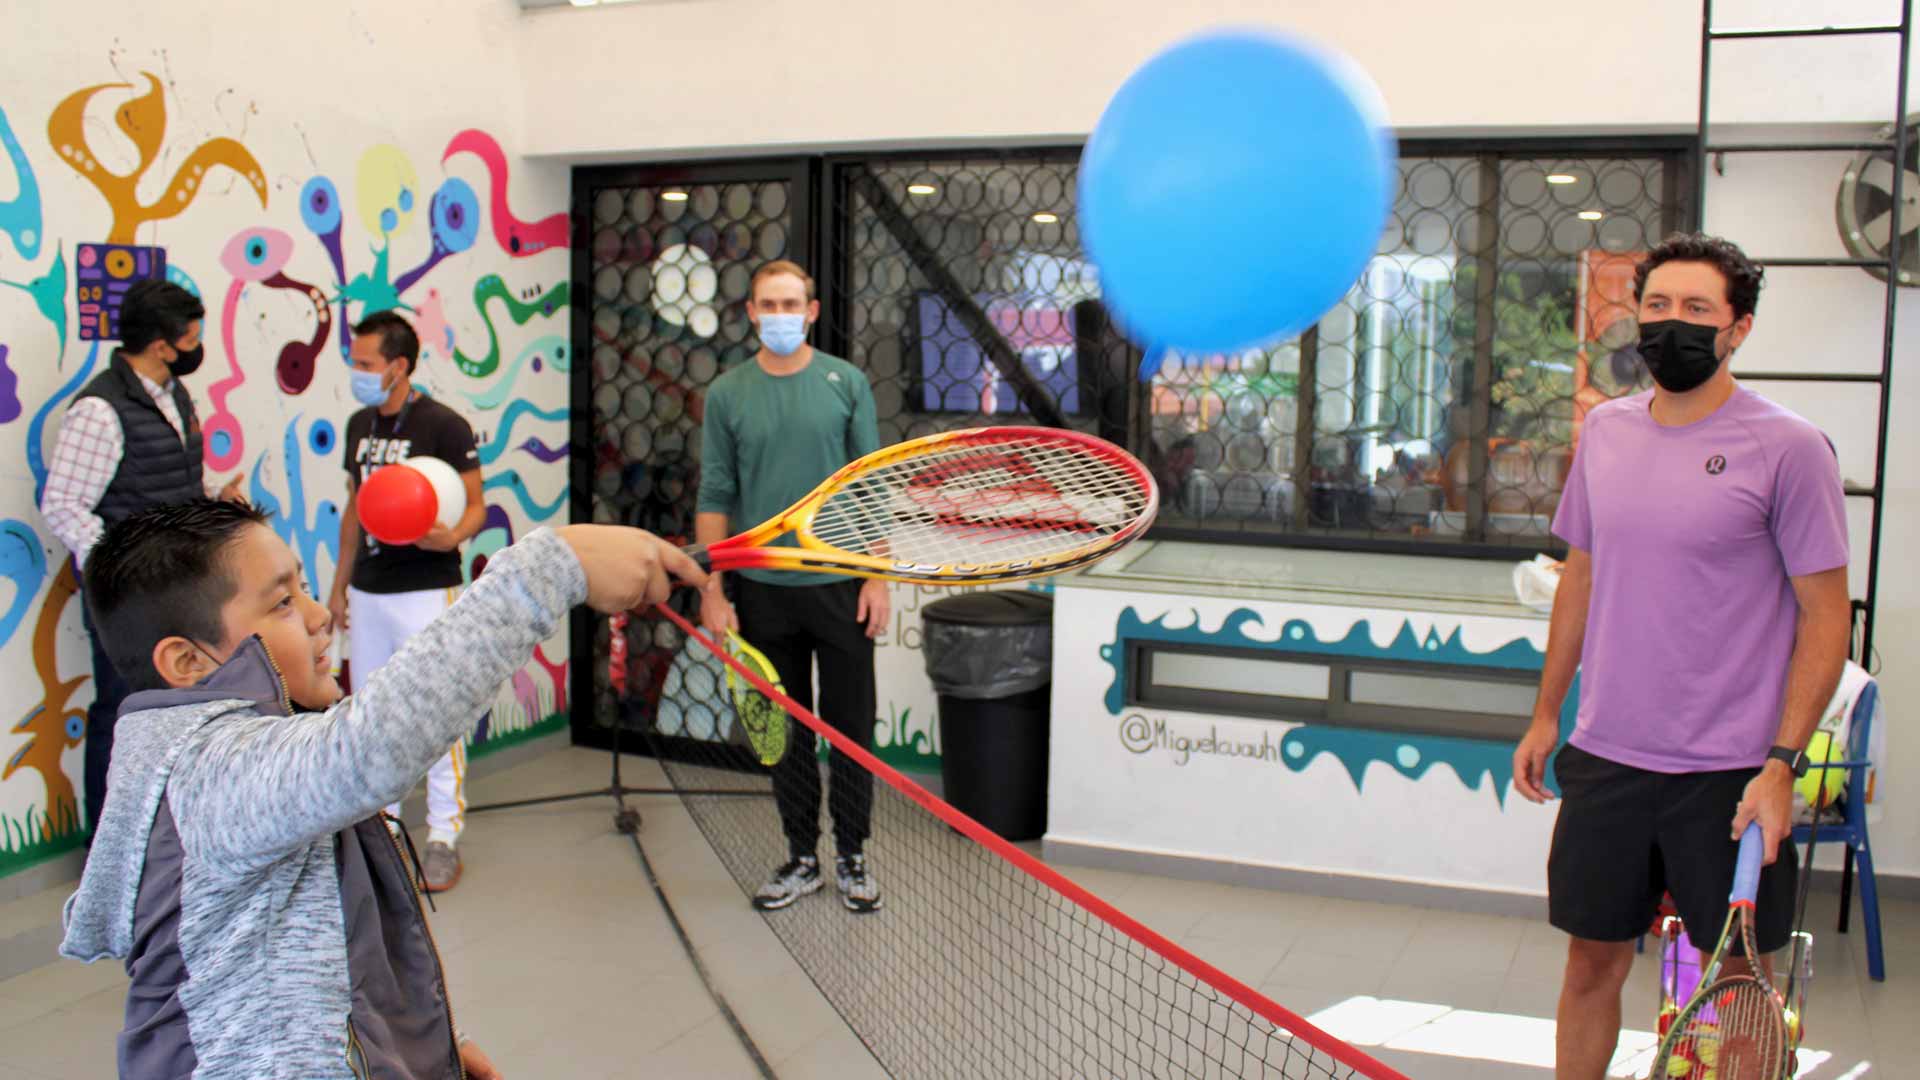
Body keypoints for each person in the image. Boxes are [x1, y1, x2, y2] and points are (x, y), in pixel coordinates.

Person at [61, 498, 703, 1078]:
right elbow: (370, 749)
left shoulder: (258, 751)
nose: (318, 617)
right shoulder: (202, 773)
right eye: (283, 602)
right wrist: (553, 567)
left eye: (305, 590)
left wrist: (431, 1045)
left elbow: (341, 946)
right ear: (188, 663)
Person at [1511, 233, 1851, 1080]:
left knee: (1738, 983)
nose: (1673, 325)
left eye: (1697, 310)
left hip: (1730, 776)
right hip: (1608, 759)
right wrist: (1548, 713)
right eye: (1657, 306)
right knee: (1590, 965)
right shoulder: (1608, 433)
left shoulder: (1792, 448)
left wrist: (1780, 765)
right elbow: (1581, 579)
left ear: (1737, 329)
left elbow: (1825, 619)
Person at [696, 259, 888, 914]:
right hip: (759, 591)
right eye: (766, 304)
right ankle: (802, 856)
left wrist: (876, 578)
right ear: (750, 312)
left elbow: (869, 483)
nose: (779, 314)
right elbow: (716, 494)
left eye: (790, 304)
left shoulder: (847, 383)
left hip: (839, 586)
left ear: (811, 311)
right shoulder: (727, 394)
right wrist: (714, 589)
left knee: (850, 729)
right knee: (785, 733)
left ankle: (853, 855)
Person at [39, 278, 244, 837]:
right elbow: (62, 504)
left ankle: (166, 841)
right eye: (192, 335)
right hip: (128, 595)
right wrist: (124, 562)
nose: (198, 345)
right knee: (123, 713)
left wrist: (213, 503)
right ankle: (112, 849)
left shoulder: (173, 394)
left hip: (178, 586)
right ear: (161, 343)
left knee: (179, 713)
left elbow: (167, 488)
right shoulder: (100, 411)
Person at [328, 311, 486, 892]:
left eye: (366, 364)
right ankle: (384, 828)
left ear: (399, 366)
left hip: (427, 589)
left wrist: (452, 535)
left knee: (436, 710)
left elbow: (476, 507)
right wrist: (338, 586)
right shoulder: (357, 425)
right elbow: (356, 508)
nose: (357, 373)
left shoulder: (443, 426)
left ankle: (442, 835)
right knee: (372, 714)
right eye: (355, 362)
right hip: (369, 591)